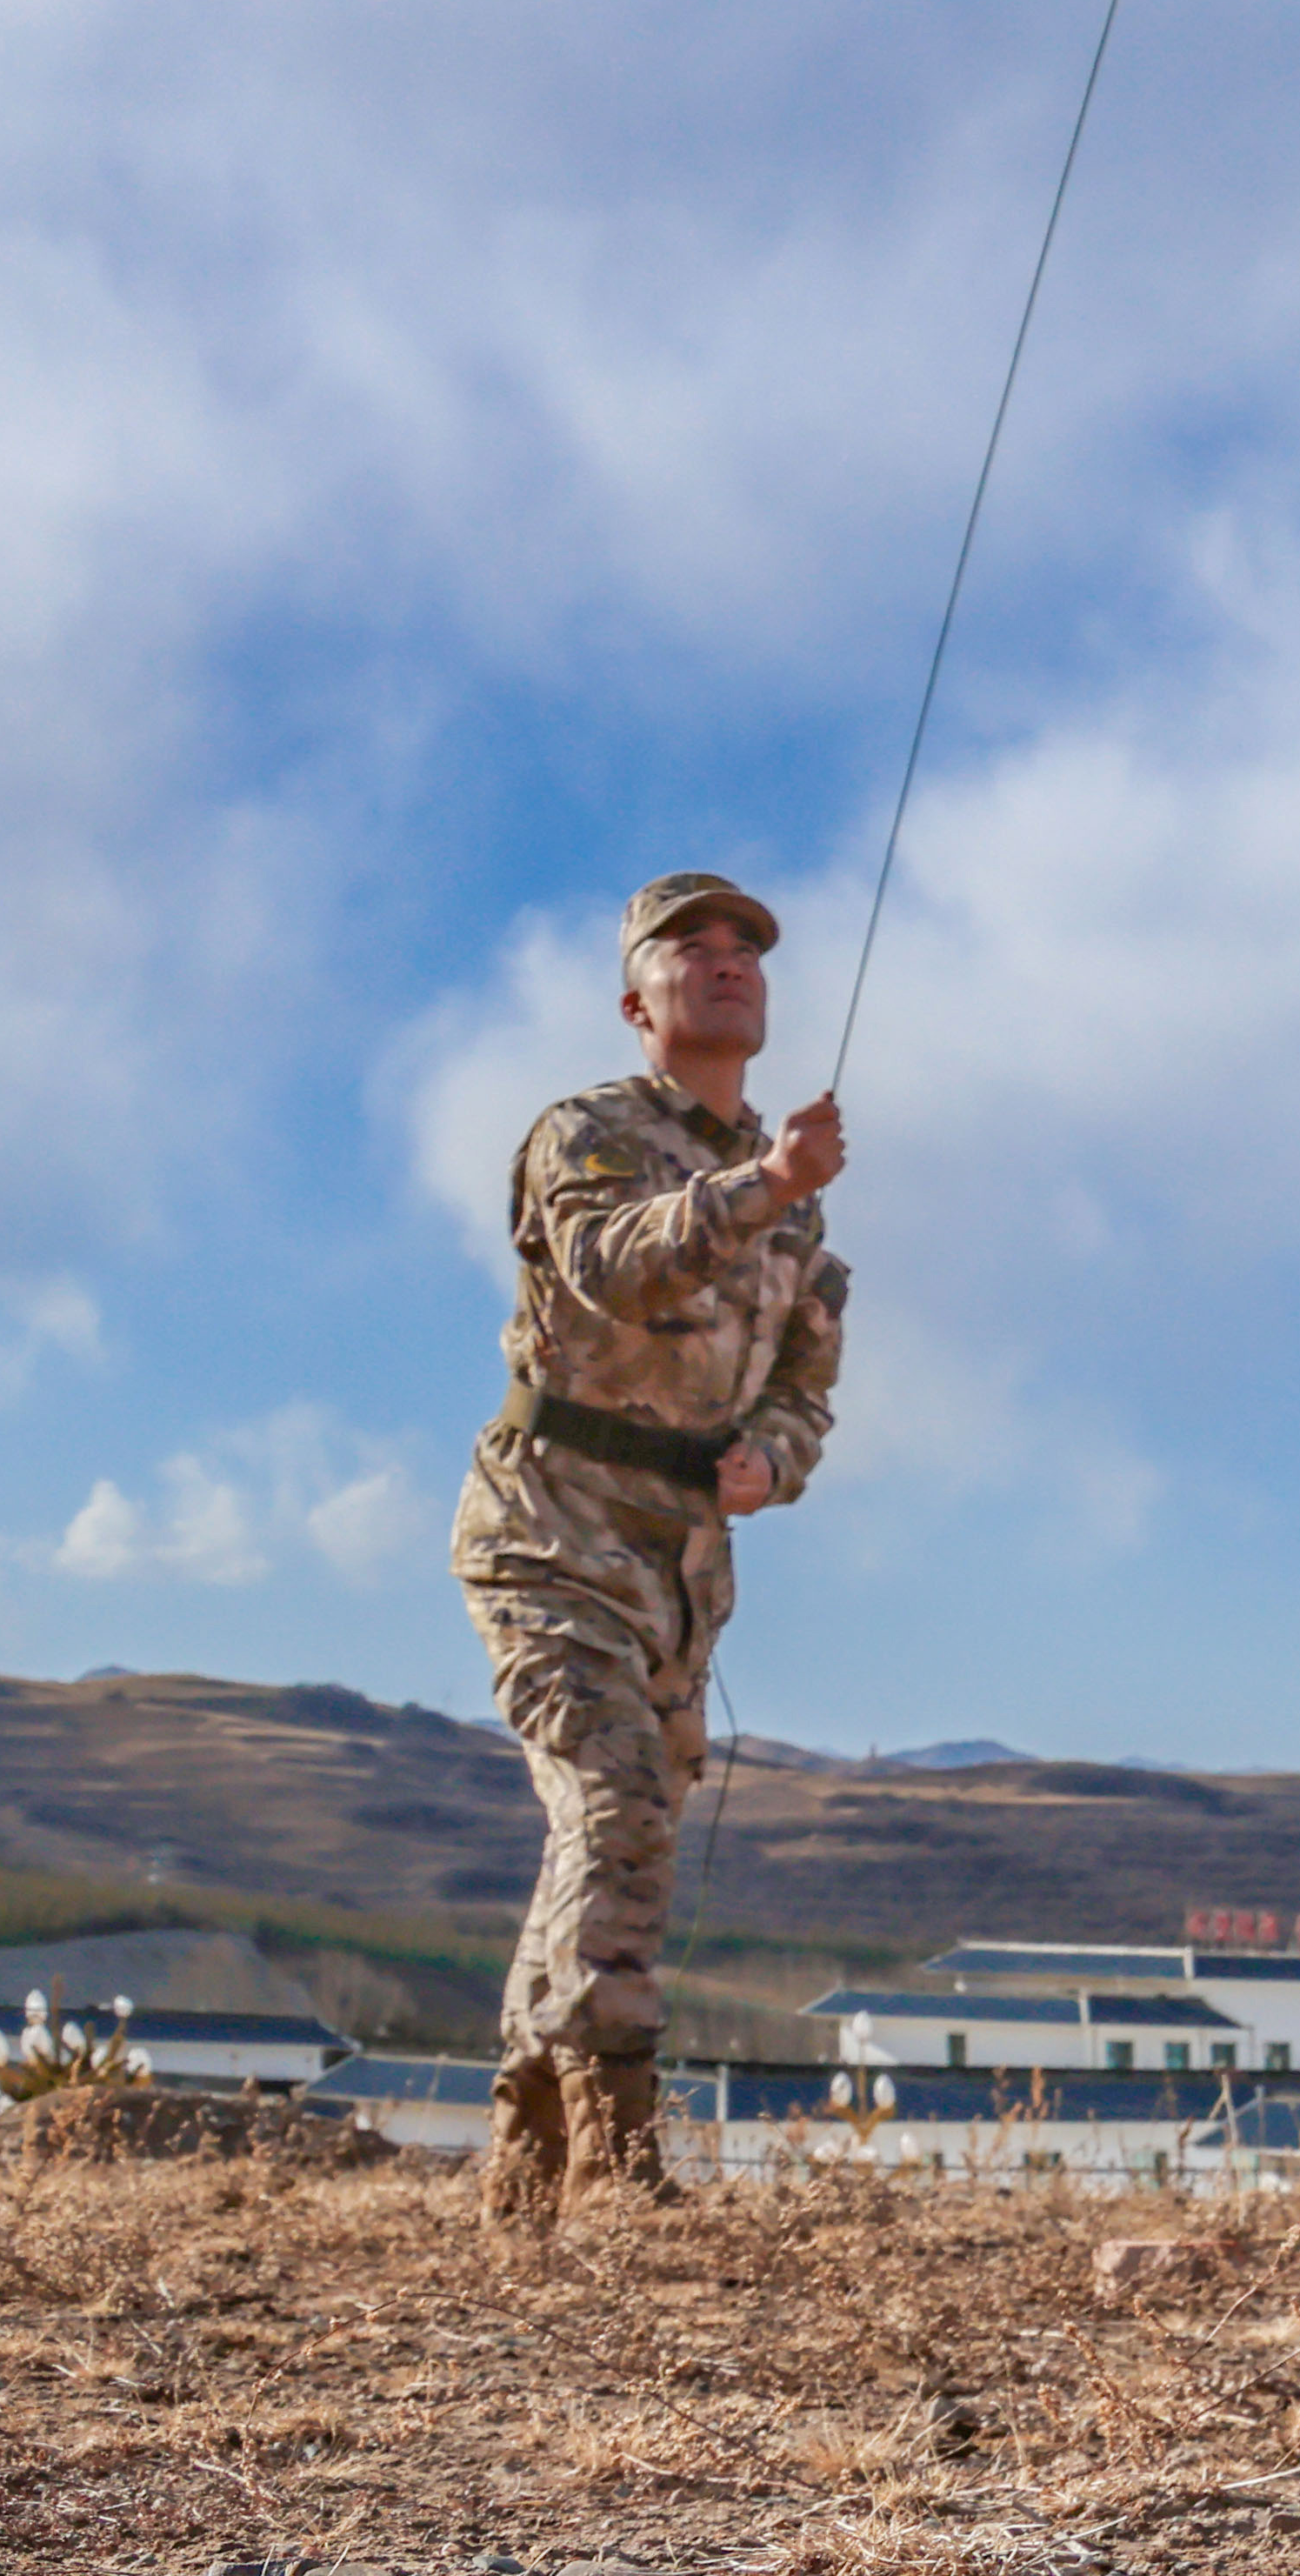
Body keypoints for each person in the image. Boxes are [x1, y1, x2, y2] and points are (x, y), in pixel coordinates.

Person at [453, 866, 847, 2235]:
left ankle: (522, 2169)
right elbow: (614, 1265)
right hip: (550, 1524)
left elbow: (807, 1385)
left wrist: (773, 1461)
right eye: (694, 947)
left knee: (611, 1846)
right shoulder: (591, 1132)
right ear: (639, 999)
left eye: (749, 947)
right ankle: (616, 2160)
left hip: (681, 1563)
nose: (730, 961)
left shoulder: (799, 1212)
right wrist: (763, 1181)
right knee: (614, 1810)